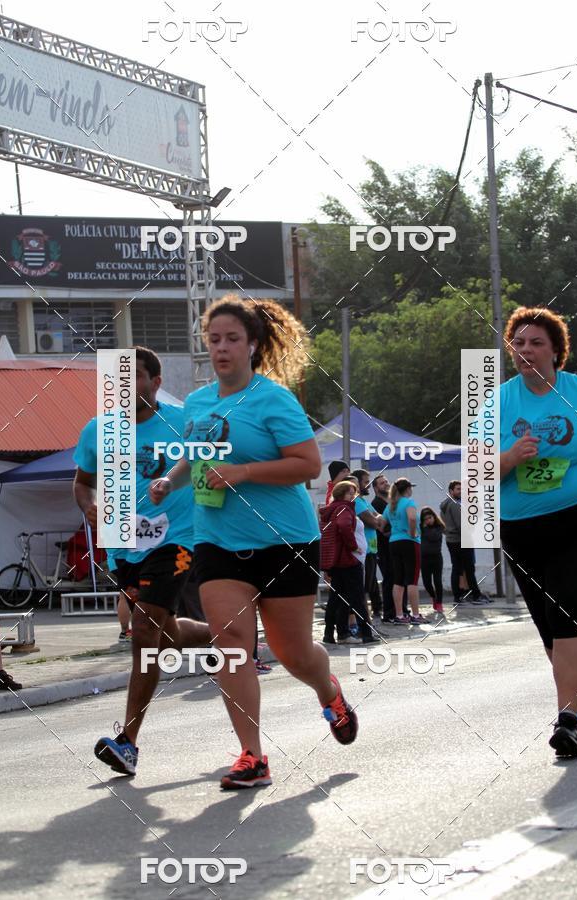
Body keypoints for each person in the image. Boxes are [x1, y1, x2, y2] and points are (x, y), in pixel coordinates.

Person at [150, 295, 358, 790]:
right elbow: (195, 457)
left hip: (283, 542)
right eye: (214, 339)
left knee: (293, 653)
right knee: (231, 646)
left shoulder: (273, 399)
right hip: (217, 541)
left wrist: (243, 472)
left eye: (232, 339)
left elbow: (307, 465)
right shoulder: (197, 403)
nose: (221, 348)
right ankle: (252, 755)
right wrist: (170, 481)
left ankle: (328, 690)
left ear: (252, 344)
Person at [73, 347, 211, 775]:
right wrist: (89, 505)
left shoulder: (182, 422)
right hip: (122, 545)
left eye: (134, 377)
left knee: (144, 629)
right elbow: (82, 482)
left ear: (156, 382)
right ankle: (225, 635)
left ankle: (128, 742)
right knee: (165, 634)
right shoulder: (98, 431)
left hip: (176, 538)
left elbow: (209, 467)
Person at [499, 307, 577, 758]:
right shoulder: (496, 403)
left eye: (536, 342)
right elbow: (474, 473)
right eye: (518, 343)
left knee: (570, 614)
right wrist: (510, 458)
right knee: (550, 630)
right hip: (523, 530)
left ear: (556, 350)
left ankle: (568, 721)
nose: (526, 350)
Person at [320, 480, 379, 645]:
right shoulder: (344, 508)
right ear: (342, 495)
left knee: (336, 599)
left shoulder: (333, 508)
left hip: (338, 561)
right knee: (357, 597)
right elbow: (344, 525)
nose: (354, 496)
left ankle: (332, 634)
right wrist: (353, 546)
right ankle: (366, 633)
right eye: (350, 493)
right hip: (349, 560)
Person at [381, 477, 428, 625]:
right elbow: (412, 518)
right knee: (412, 580)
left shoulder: (391, 505)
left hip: (394, 542)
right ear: (408, 489)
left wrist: (390, 531)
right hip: (409, 542)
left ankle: (399, 615)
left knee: (398, 580)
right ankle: (415, 615)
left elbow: (382, 523)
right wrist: (412, 533)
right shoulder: (408, 502)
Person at [440, 481, 488, 604]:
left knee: (457, 568)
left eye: (461, 489)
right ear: (451, 491)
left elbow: (443, 524)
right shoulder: (455, 504)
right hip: (461, 540)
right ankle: (475, 596)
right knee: (469, 569)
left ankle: (458, 596)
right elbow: (461, 525)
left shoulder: (445, 504)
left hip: (451, 540)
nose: (461, 491)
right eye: (458, 489)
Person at [352, 469, 383, 618]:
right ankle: (364, 621)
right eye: (366, 482)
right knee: (363, 588)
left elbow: (380, 517)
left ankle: (372, 615)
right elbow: (374, 522)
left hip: (372, 549)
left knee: (371, 585)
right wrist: (376, 519)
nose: (369, 485)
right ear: (357, 484)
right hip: (364, 551)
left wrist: (377, 519)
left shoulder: (363, 501)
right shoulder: (357, 502)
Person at [371, 474, 400, 622]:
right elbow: (383, 526)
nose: (386, 484)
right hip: (383, 547)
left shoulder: (393, 502)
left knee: (398, 578)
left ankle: (400, 610)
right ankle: (389, 613)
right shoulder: (375, 504)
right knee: (389, 579)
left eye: (387, 481)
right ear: (375, 488)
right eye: (382, 483)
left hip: (396, 545)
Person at [420, 507, 445, 613]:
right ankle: (433, 596)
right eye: (425, 519)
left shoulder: (439, 527)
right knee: (426, 583)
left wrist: (425, 528)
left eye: (430, 518)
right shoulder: (421, 528)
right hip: (424, 559)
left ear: (434, 517)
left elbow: (433, 536)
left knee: (437, 581)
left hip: (436, 558)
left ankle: (439, 603)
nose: (428, 520)